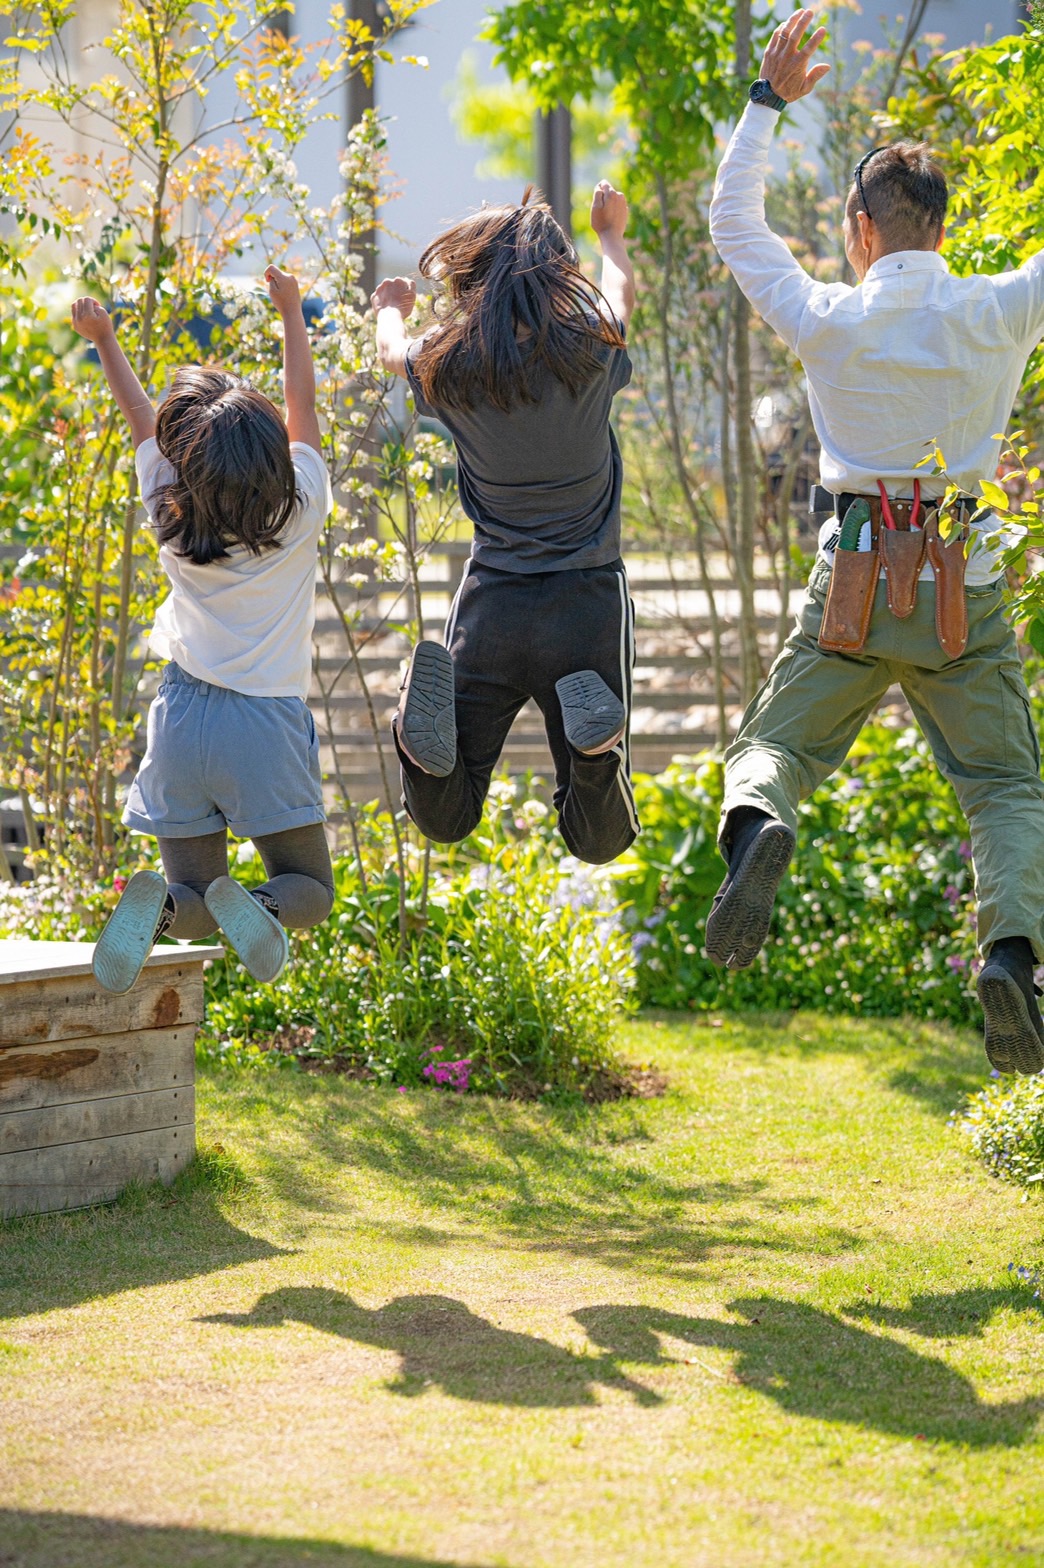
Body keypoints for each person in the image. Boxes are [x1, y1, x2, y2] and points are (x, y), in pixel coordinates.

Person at [707, 8, 1044, 1075]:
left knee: (781, 747)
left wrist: (766, 103)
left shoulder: (828, 317)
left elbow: (733, 223)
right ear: (939, 226)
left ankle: (760, 820)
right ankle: (1011, 955)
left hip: (852, 577)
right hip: (963, 581)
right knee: (1002, 784)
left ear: (860, 225)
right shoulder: (998, 311)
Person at [71, 269, 335, 994]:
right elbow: (301, 401)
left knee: (191, 902)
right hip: (263, 721)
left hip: (180, 719)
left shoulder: (168, 505)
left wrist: (105, 340)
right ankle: (258, 907)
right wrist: (290, 311)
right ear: (274, 460)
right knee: (308, 887)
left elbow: (139, 415)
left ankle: (158, 908)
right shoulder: (302, 504)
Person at [371, 181, 640, 864]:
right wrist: (609, 234)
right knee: (598, 838)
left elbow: (388, 351)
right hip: (587, 605)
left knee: (449, 816)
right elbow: (621, 290)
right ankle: (590, 756)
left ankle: (423, 752)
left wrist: (391, 309)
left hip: (492, 604)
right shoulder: (591, 349)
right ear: (557, 278)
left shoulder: (449, 366)